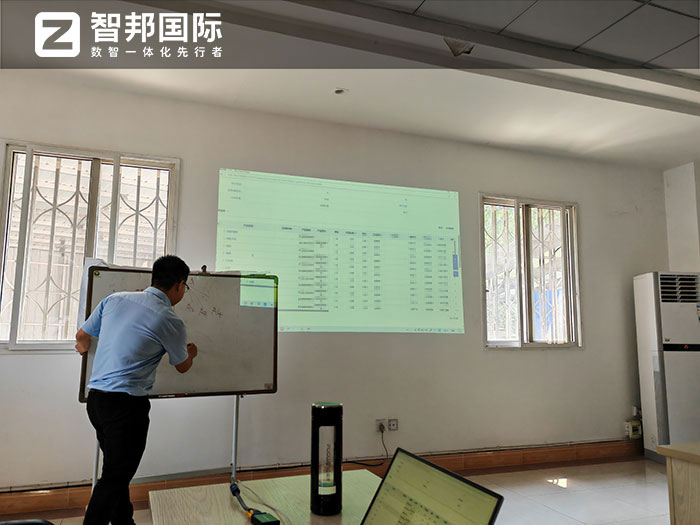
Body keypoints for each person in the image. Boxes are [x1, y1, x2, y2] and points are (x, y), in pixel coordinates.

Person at [75, 255, 198, 525]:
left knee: (116, 471)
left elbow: (82, 336)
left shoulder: (115, 299)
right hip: (126, 407)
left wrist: (85, 350)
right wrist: (191, 353)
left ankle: (124, 522)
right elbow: (182, 366)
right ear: (179, 285)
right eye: (185, 287)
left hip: (96, 401)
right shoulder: (169, 319)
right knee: (115, 477)